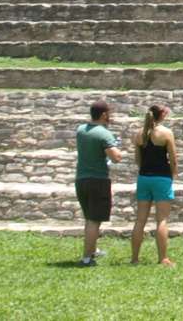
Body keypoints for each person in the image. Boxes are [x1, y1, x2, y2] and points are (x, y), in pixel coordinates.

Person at [73, 100, 127, 267]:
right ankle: (87, 258)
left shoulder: (81, 130)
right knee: (94, 220)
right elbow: (116, 157)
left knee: (89, 218)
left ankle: (93, 249)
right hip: (97, 180)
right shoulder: (104, 134)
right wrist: (118, 147)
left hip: (81, 179)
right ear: (104, 114)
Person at [130, 102, 180, 267]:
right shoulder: (166, 133)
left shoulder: (139, 134)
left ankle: (135, 258)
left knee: (140, 220)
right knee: (162, 220)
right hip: (161, 178)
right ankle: (163, 258)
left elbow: (138, 159)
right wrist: (173, 173)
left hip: (144, 178)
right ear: (162, 115)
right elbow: (172, 158)